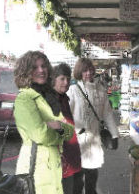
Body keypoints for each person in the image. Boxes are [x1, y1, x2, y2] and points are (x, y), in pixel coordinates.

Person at [13, 51, 74, 194]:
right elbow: (40, 135)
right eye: (34, 67)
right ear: (25, 72)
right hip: (35, 169)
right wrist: (60, 131)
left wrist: (58, 126)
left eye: (43, 66)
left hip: (53, 165)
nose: (41, 70)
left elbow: (69, 130)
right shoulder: (25, 99)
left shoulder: (48, 96)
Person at [67, 58, 119, 194]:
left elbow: (107, 114)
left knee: (92, 176)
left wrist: (114, 134)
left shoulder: (100, 90)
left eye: (90, 69)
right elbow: (66, 116)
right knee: (77, 179)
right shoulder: (73, 90)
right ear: (79, 72)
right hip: (77, 142)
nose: (88, 73)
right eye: (84, 70)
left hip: (95, 139)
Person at [52, 63, 82, 194]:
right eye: (62, 79)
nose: (66, 83)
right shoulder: (50, 100)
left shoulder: (64, 98)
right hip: (60, 162)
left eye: (68, 79)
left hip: (72, 158)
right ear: (54, 79)